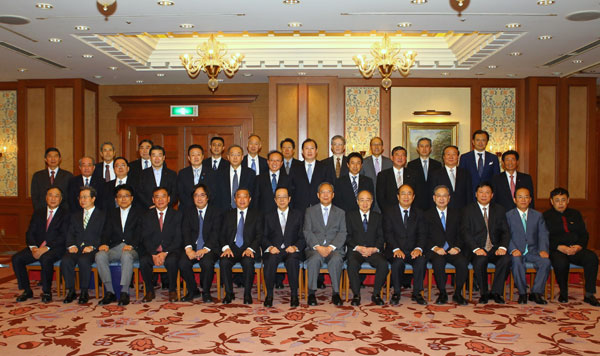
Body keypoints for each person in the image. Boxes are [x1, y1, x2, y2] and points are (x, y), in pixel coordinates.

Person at [543, 187, 599, 306]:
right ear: (551, 201)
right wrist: (559, 247)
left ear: (568, 200)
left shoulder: (575, 214)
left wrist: (578, 246)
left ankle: (589, 294)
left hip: (575, 249)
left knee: (592, 257)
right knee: (560, 262)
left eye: (563, 200)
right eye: (557, 200)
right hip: (557, 249)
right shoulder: (546, 216)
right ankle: (564, 293)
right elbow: (544, 237)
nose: (560, 203)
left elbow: (584, 234)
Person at [12, 187, 69, 303]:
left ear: (61, 199)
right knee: (17, 258)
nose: (53, 198)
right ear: (46, 197)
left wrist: (46, 248)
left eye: (56, 196)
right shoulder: (39, 212)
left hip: (56, 248)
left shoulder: (66, 214)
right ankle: (27, 290)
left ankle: (47, 291)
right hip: (37, 247)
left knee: (46, 258)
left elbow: (63, 236)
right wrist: (33, 248)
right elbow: (30, 232)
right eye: (50, 195)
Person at [461, 182, 511, 304]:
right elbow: (464, 232)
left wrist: (503, 247)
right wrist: (476, 248)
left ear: (492, 195)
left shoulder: (499, 210)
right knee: (480, 260)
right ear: (476, 194)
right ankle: (484, 293)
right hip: (476, 248)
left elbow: (505, 231)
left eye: (487, 192)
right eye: (481, 192)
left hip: (494, 247)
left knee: (506, 259)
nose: (484, 195)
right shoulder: (467, 210)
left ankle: (496, 292)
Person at [96, 184, 143, 306]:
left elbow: (141, 232)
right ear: (116, 199)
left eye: (126, 196)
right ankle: (110, 291)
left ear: (132, 198)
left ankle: (124, 292)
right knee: (100, 256)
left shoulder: (140, 212)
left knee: (126, 255)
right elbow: (106, 231)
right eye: (120, 196)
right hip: (115, 247)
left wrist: (132, 244)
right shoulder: (112, 213)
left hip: (134, 248)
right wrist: (104, 244)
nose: (123, 199)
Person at [383, 184, 428, 305]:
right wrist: (396, 249)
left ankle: (417, 293)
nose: (406, 196)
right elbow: (388, 233)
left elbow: (422, 234)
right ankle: (397, 292)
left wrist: (418, 248)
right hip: (395, 250)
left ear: (413, 197)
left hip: (413, 250)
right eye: (403, 193)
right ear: (398, 196)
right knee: (398, 262)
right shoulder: (389, 212)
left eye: (409, 194)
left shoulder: (419, 213)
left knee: (421, 261)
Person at [304, 182, 347, 306]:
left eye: (328, 192)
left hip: (334, 249)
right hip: (315, 248)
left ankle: (336, 293)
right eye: (323, 192)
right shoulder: (310, 211)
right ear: (318, 195)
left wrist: (330, 247)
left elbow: (343, 232)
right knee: (315, 259)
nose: (325, 195)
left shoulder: (340, 212)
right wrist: (318, 247)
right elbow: (307, 231)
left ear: (333, 195)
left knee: (336, 259)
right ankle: (311, 293)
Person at [425, 185, 469, 305]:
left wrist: (457, 247)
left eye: (444, 196)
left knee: (463, 262)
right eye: (439, 196)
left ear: (449, 198)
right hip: (435, 250)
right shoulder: (427, 215)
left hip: (452, 249)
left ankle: (458, 293)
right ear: (434, 198)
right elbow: (424, 236)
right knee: (438, 262)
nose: (441, 199)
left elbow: (462, 234)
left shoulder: (457, 213)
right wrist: (435, 248)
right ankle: (443, 293)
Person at [62, 186, 106, 304]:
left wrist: (92, 246)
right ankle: (71, 291)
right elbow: (70, 233)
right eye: (80, 197)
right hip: (77, 248)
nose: (82, 200)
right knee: (66, 260)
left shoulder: (102, 215)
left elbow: (104, 235)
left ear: (93, 199)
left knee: (83, 260)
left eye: (85, 197)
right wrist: (71, 245)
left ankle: (84, 291)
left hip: (93, 249)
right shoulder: (75, 215)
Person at [262, 186, 305, 307]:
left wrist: (295, 247)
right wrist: (270, 247)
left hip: (291, 250)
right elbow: (263, 237)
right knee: (269, 260)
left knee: (292, 261)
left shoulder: (298, 215)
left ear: (289, 199)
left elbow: (302, 237)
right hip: (274, 250)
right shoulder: (268, 216)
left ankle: (294, 295)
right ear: (275, 200)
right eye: (279, 197)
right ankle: (269, 295)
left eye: (284, 197)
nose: (282, 200)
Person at [506, 187, 550, 305]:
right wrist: (513, 249)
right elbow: (505, 236)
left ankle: (536, 293)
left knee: (545, 262)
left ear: (530, 199)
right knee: (516, 261)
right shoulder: (508, 216)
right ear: (515, 200)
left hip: (533, 251)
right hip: (516, 250)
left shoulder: (538, 215)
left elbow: (543, 234)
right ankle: (522, 293)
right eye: (520, 197)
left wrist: (543, 249)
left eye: (526, 197)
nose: (523, 200)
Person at [179, 184, 222, 302]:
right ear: (192, 198)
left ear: (207, 197)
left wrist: (205, 249)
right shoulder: (188, 212)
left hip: (210, 248)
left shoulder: (216, 212)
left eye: (202, 195)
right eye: (196, 195)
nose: (199, 198)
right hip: (192, 247)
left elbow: (216, 233)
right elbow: (185, 231)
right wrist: (188, 249)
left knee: (207, 262)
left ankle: (206, 292)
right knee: (183, 262)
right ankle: (193, 290)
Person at [219, 188, 263, 304]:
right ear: (235, 199)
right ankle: (229, 293)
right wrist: (226, 248)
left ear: (250, 199)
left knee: (248, 262)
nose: (242, 200)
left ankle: (247, 294)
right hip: (231, 248)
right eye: (239, 197)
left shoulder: (257, 215)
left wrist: (250, 249)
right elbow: (221, 234)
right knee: (224, 262)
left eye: (245, 197)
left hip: (248, 248)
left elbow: (259, 235)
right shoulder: (228, 214)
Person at [139, 187, 182, 302]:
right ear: (153, 200)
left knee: (172, 261)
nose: (160, 200)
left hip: (171, 250)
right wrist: (153, 253)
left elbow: (178, 238)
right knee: (144, 260)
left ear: (168, 199)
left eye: (163, 196)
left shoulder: (177, 215)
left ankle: (172, 290)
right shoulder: (146, 215)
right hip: (152, 250)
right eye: (157, 197)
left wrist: (164, 253)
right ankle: (149, 291)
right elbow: (144, 237)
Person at [346, 190, 388, 306]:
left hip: (373, 250)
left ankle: (376, 294)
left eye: (368, 200)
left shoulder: (378, 217)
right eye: (362, 200)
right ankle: (356, 295)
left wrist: (374, 249)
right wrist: (358, 247)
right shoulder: (350, 216)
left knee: (383, 264)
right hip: (356, 250)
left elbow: (381, 236)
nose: (365, 203)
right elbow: (347, 236)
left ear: (372, 201)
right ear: (357, 201)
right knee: (352, 263)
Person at [289, 138, 334, 211]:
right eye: (307, 148)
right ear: (302, 151)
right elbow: (291, 190)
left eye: (312, 148)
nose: (309, 151)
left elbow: (329, 188)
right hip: (299, 210)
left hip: (319, 209)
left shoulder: (324, 168)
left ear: (316, 151)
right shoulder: (295, 168)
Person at [376, 146, 419, 215]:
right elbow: (380, 198)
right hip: (389, 215)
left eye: (403, 155)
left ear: (405, 158)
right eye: (397, 155)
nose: (400, 158)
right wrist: (388, 213)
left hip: (409, 213)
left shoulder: (413, 174)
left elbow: (417, 195)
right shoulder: (383, 175)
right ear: (392, 158)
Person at [212, 145, 257, 211]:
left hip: (244, 211)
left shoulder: (250, 173)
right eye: (232, 155)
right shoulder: (219, 174)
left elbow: (253, 194)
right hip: (224, 212)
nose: (235, 158)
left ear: (242, 157)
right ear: (228, 157)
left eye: (238, 155)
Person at [459, 130, 501, 199]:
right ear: (473, 142)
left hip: (487, 196)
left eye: (483, 140)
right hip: (470, 195)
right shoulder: (465, 157)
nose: (480, 143)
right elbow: (462, 179)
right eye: (478, 140)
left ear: (487, 142)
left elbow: (496, 178)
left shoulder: (493, 158)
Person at [429, 145, 472, 212]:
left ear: (458, 157)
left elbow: (469, 195)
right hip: (443, 211)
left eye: (454, 154)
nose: (451, 157)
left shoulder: (465, 173)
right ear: (444, 157)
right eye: (448, 154)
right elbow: (432, 195)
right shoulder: (435, 174)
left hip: (462, 212)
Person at [407, 137, 442, 210]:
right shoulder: (411, 165)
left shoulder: (437, 165)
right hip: (417, 203)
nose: (424, 149)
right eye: (421, 146)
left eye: (427, 146)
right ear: (417, 149)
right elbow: (410, 185)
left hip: (433, 203)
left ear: (430, 149)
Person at [360, 137, 393, 213]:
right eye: (374, 144)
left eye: (379, 144)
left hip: (386, 201)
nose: (376, 147)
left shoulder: (389, 162)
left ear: (382, 147)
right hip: (369, 201)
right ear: (370, 147)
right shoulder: (364, 163)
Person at [177, 144, 211, 211]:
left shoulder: (211, 173)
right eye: (193, 155)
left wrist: (202, 205)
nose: (196, 157)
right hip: (186, 210)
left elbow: (212, 193)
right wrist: (193, 205)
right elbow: (180, 193)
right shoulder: (182, 173)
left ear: (202, 157)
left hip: (206, 210)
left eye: (198, 155)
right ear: (189, 158)